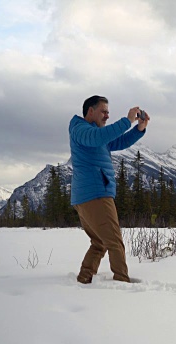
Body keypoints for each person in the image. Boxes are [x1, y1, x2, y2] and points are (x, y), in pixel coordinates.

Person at [69, 95, 150, 284]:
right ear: (91, 111)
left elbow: (118, 142)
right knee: (114, 241)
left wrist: (139, 129)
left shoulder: (95, 135)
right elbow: (101, 137)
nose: (107, 116)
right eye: (103, 111)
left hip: (87, 196)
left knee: (99, 243)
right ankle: (121, 283)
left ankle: (84, 278)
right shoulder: (81, 130)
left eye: (108, 112)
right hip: (96, 194)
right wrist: (127, 120)